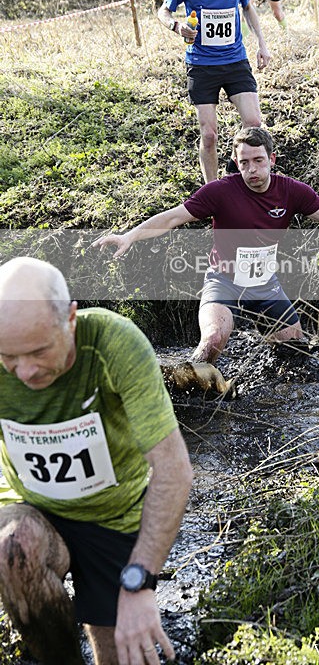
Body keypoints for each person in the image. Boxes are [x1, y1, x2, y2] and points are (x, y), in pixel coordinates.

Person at [0, 257, 193, 665]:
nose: (24, 372)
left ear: (70, 319)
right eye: (8, 357)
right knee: (12, 550)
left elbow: (172, 470)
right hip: (33, 506)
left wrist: (140, 581)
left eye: (38, 351)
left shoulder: (114, 343)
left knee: (122, 654)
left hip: (113, 516)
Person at [94, 127, 319, 366]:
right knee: (213, 340)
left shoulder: (291, 191)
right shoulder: (220, 191)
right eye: (244, 163)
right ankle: (184, 389)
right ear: (236, 162)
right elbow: (173, 218)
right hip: (224, 282)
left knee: (295, 355)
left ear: (272, 159)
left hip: (266, 285)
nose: (252, 170)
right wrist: (130, 236)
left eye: (258, 160)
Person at [158, 0, 271, 184]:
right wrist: (177, 26)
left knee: (254, 123)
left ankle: (234, 166)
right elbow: (163, 11)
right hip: (201, 64)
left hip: (235, 60)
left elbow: (247, 7)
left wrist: (262, 44)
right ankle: (211, 191)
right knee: (209, 135)